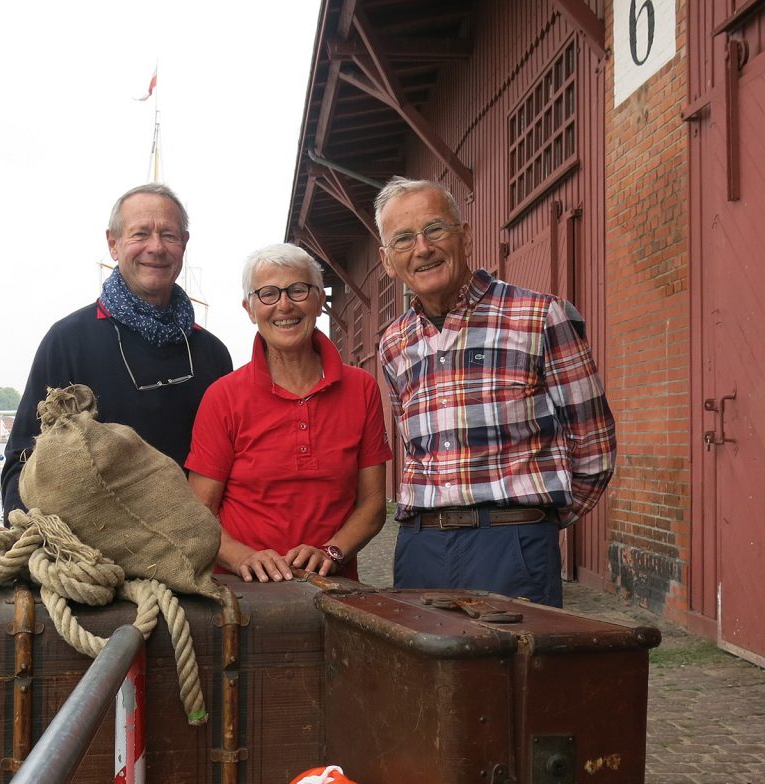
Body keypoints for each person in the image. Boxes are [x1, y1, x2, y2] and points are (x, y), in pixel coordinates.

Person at [375, 176, 616, 606]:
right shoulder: (393, 343)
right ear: (388, 261)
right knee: (421, 674)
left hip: (511, 544)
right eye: (404, 240)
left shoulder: (539, 315)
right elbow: (415, 449)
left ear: (464, 235)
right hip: (419, 548)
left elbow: (594, 446)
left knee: (516, 673)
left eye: (434, 229)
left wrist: (533, 523)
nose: (422, 248)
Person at [1, 183, 233, 519]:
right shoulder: (67, 341)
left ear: (184, 244)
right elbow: (22, 463)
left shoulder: (213, 356)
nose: (156, 247)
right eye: (141, 234)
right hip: (90, 555)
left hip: (192, 551)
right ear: (113, 243)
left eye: (168, 235)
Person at [186, 243, 392, 582]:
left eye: (298, 290)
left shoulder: (362, 389)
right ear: (250, 309)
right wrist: (242, 558)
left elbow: (372, 506)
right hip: (241, 589)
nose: (284, 305)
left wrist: (332, 551)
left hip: (332, 587)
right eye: (267, 294)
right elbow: (198, 513)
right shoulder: (222, 397)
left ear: (319, 301)